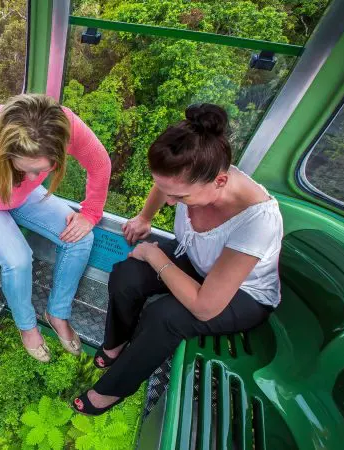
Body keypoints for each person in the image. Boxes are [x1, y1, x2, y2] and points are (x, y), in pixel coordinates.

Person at [73, 104, 283, 415]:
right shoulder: (193, 175)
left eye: (180, 198)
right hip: (198, 261)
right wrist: (145, 218)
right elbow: (165, 186)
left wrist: (155, 255)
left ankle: (114, 390)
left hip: (242, 294)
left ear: (221, 182)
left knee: (164, 316)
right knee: (127, 275)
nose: (171, 202)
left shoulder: (257, 221)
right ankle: (115, 343)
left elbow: (205, 306)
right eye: (166, 191)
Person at [0, 94, 111, 362]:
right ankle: (27, 326)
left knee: (81, 238)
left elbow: (100, 162)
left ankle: (57, 312)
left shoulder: (66, 125)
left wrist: (91, 213)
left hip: (22, 197)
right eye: (26, 168)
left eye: (42, 170)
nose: (35, 177)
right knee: (19, 260)